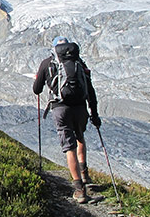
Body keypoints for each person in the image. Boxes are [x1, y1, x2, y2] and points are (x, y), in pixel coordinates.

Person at [33, 36, 102, 203]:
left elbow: (36, 89)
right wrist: (94, 113)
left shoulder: (47, 63)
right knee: (80, 138)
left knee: (68, 146)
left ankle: (79, 189)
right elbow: (90, 90)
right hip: (80, 108)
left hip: (60, 108)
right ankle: (85, 174)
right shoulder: (80, 63)